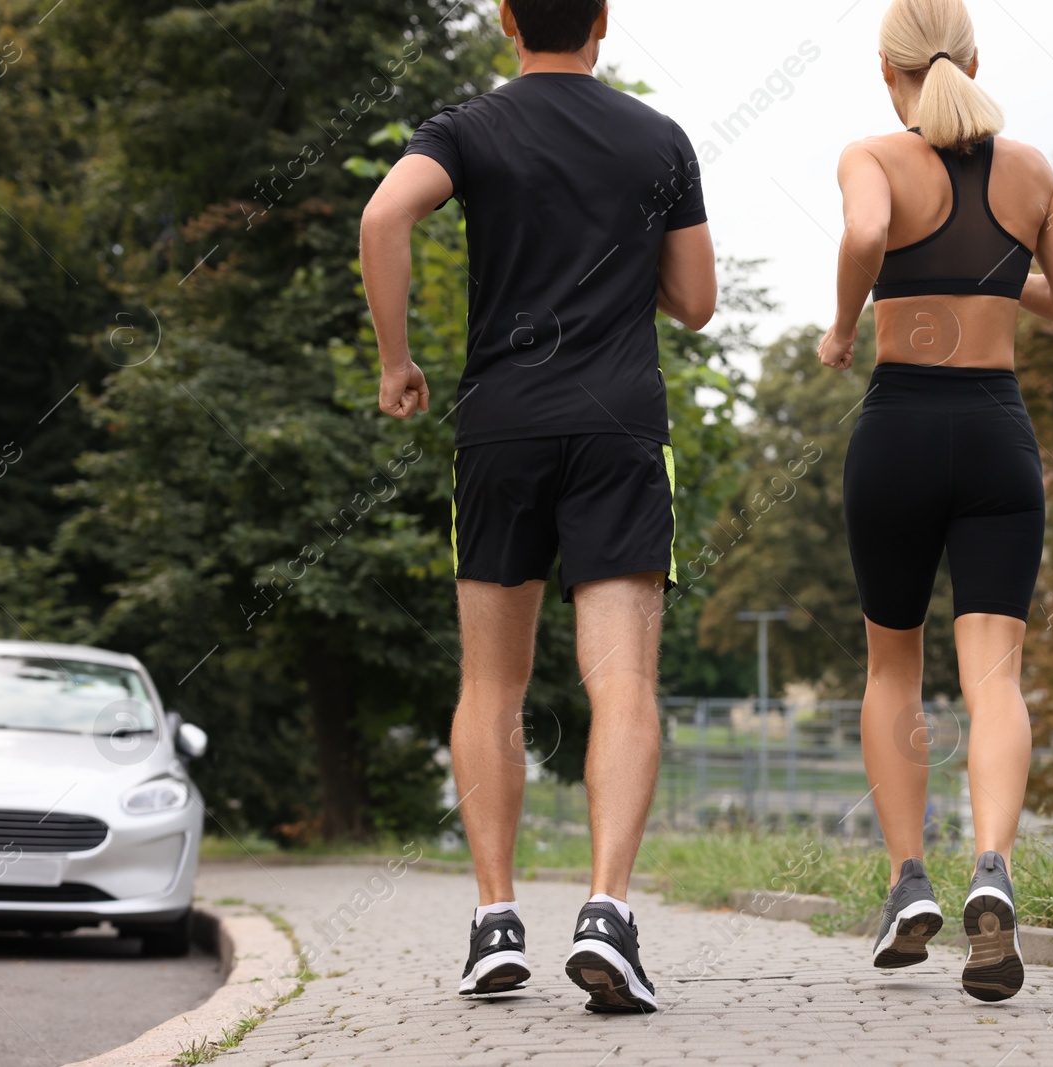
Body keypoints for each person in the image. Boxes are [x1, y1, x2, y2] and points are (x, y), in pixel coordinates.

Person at [359, 0, 716, 1014]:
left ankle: (494, 921)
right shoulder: (658, 137)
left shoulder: (467, 126)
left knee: (491, 683)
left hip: (500, 428)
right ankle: (606, 909)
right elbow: (695, 301)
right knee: (624, 682)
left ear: (508, 19)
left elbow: (383, 215)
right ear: (602, 21)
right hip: (618, 432)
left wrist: (397, 363)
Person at [818, 0, 1053, 1003]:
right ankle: (993, 866)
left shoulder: (870, 156)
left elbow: (864, 231)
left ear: (883, 70)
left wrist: (843, 323)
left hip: (898, 430)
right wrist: (992, 269)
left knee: (893, 661)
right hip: (995, 438)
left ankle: (905, 883)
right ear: (974, 59)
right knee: (995, 677)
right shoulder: (1030, 172)